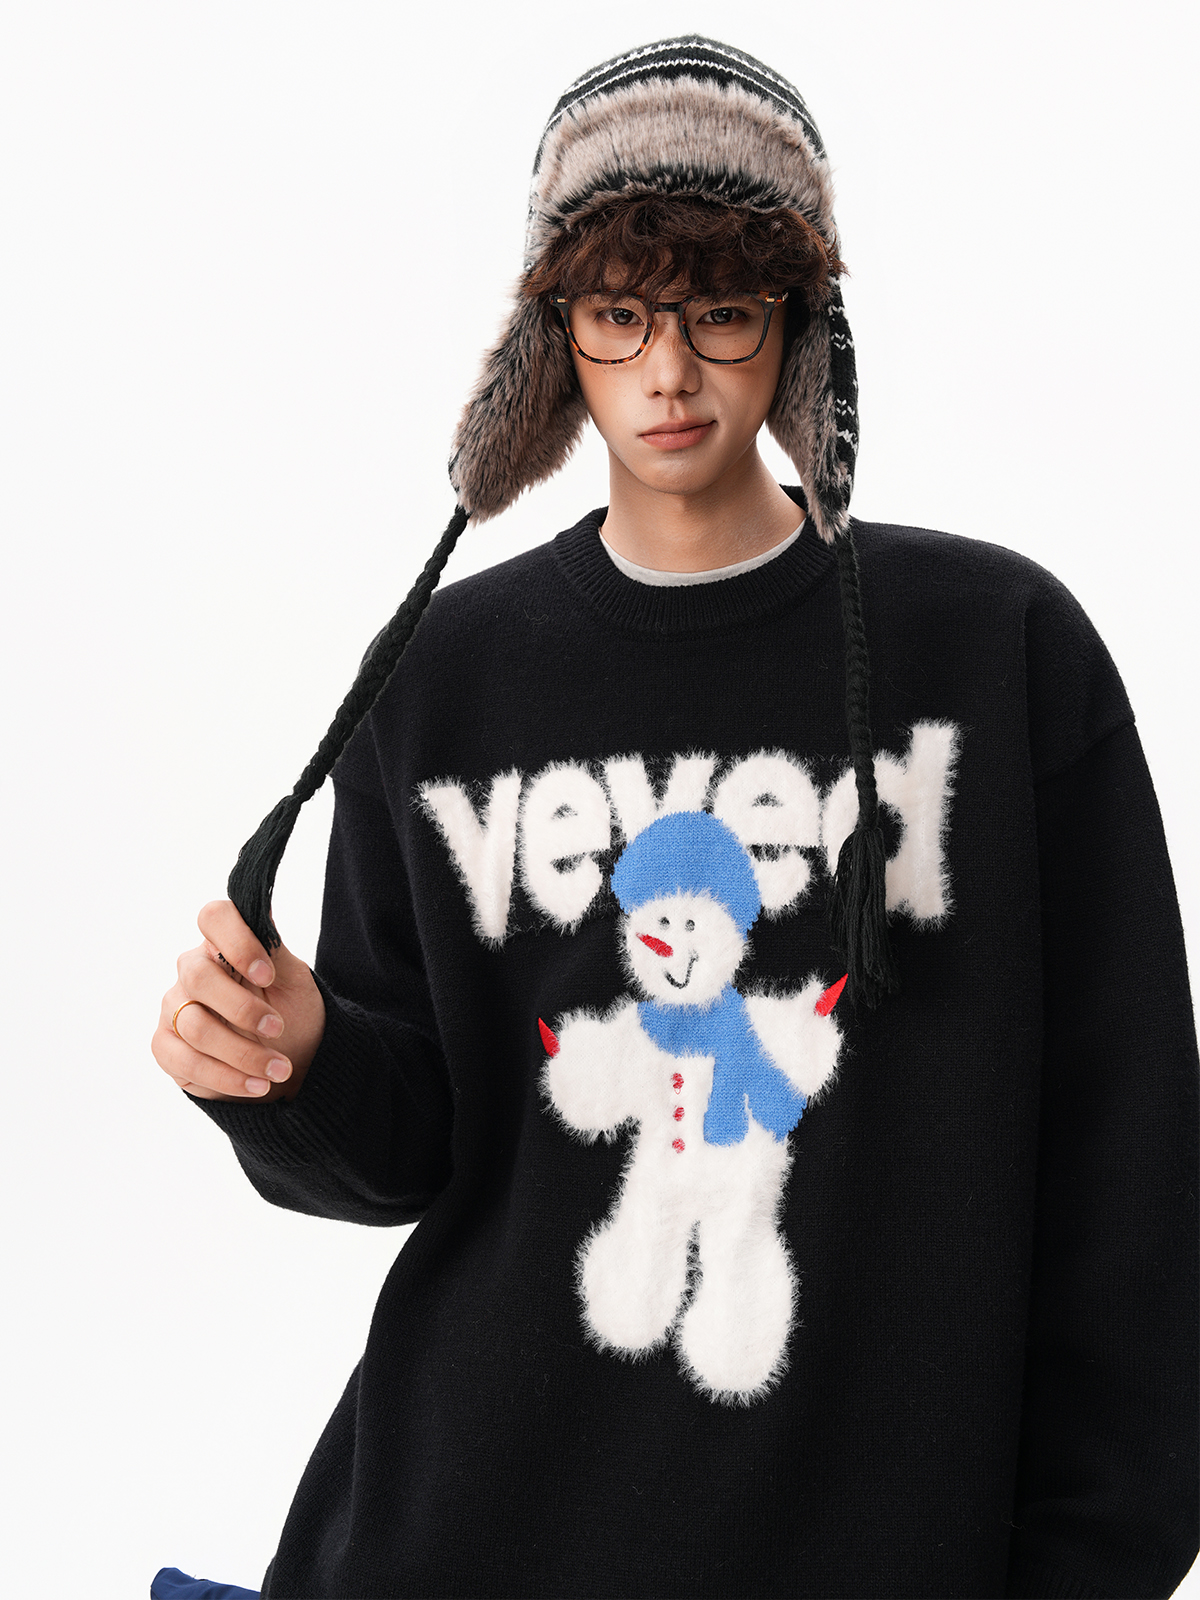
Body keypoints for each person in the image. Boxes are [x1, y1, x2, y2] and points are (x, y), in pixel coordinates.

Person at [151, 36, 1199, 1600]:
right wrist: (294, 1060)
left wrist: (1091, 1560)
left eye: (721, 310)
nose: (669, 371)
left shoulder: (998, 651)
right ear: (553, 339)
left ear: (799, 324)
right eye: (618, 312)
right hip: (461, 1539)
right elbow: (414, 1152)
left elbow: (1133, 1166)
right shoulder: (443, 676)